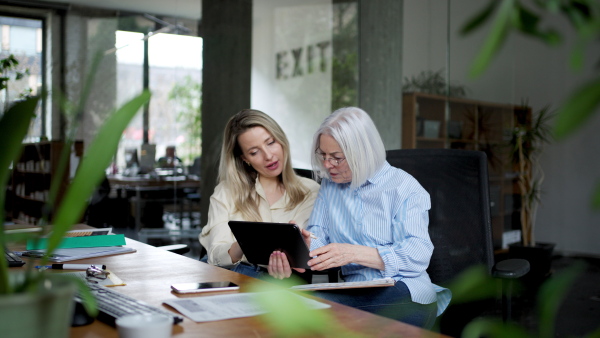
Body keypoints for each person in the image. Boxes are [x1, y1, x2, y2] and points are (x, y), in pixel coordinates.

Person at [269, 107, 451, 328]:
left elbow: (418, 255)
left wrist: (352, 253)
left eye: (336, 158)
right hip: (352, 292)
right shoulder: (330, 185)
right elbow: (320, 238)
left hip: (403, 291)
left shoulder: (404, 188)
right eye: (323, 155)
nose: (327, 165)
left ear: (363, 153)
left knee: (307, 309)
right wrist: (306, 249)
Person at [199, 109, 320, 279]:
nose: (269, 156)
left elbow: (302, 251)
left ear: (281, 140)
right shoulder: (226, 191)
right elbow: (215, 256)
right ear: (244, 158)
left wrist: (288, 262)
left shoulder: (310, 191)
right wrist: (242, 245)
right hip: (229, 275)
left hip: (279, 281)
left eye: (271, 143)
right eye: (254, 152)